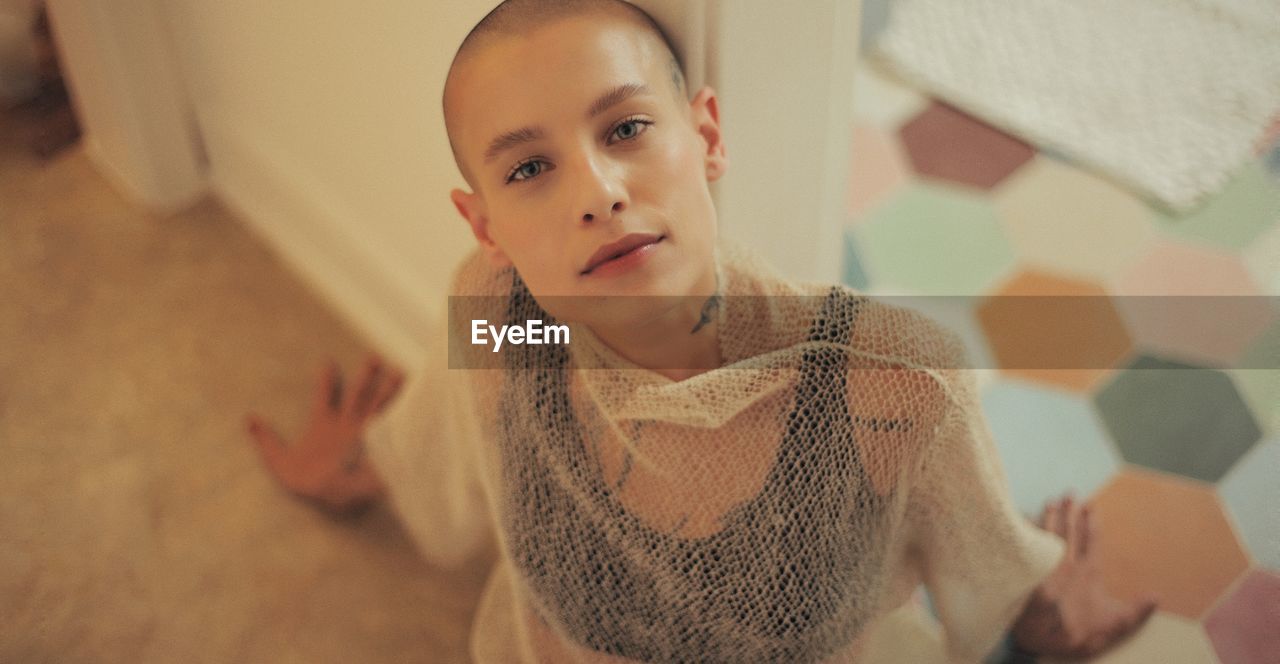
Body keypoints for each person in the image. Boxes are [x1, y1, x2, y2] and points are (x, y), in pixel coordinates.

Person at [245, 1, 1158, 661]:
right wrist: (359, 463)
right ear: (485, 225)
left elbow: (977, 551)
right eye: (528, 168)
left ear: (707, 135)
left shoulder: (889, 382)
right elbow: (457, 417)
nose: (598, 191)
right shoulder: (505, 319)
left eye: (628, 127)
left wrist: (1041, 614)